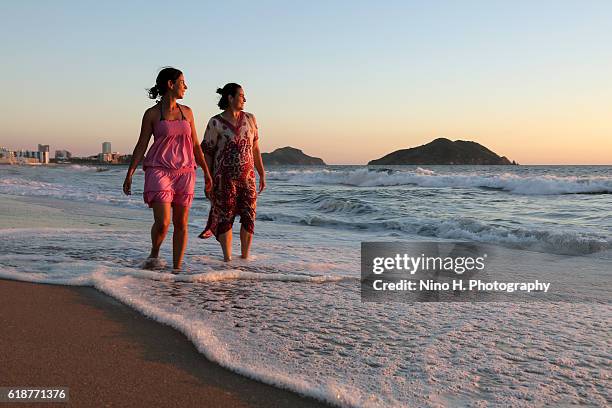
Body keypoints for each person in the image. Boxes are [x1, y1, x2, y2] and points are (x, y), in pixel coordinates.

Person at [123, 67, 212, 270]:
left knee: (181, 224)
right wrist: (130, 173)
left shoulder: (187, 112)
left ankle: (177, 270)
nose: (186, 87)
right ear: (171, 85)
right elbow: (141, 145)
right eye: (182, 82)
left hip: (185, 171)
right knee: (163, 222)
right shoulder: (152, 114)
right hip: (159, 170)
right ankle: (155, 252)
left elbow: (196, 145)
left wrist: (207, 173)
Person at [199, 83, 265, 261]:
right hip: (223, 180)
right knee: (225, 219)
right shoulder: (216, 122)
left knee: (249, 217)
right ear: (230, 97)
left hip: (248, 178)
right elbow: (208, 153)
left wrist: (262, 173)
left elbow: (256, 149)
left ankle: (245, 259)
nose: (244, 99)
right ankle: (227, 260)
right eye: (241, 95)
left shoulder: (251, 119)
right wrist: (208, 179)